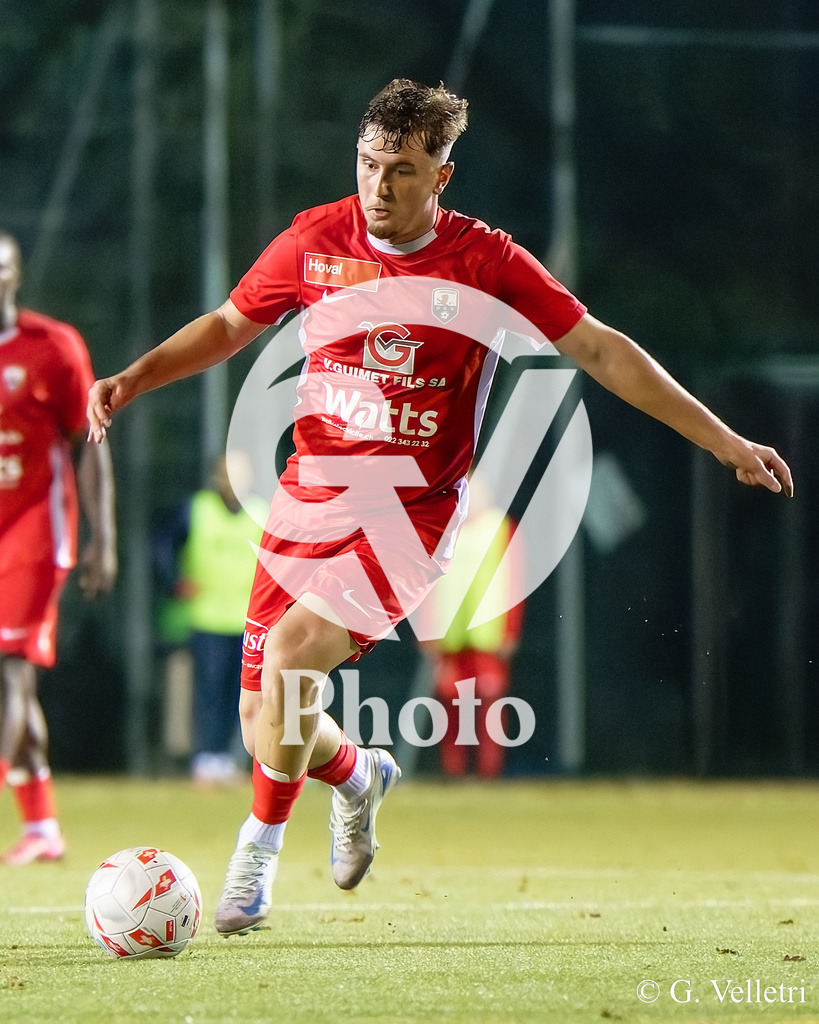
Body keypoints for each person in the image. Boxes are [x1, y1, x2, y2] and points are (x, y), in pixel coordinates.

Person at [87, 79, 793, 935]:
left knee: (293, 655)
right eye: (369, 164)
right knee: (264, 721)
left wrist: (723, 440)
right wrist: (132, 378)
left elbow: (601, 351)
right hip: (309, 503)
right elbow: (227, 325)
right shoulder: (315, 240)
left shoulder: (485, 263)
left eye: (404, 171)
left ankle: (256, 858)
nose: (380, 187)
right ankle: (355, 775)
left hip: (406, 514)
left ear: (441, 179)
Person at [0, 231, 116, 864]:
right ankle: (41, 826)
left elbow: (91, 438)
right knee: (12, 683)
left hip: (35, 530)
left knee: (8, 669)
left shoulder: (52, 348)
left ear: (14, 278)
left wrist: (106, 537)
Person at [156, 453, 267, 785]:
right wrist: (173, 581)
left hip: (249, 621)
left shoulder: (260, 513)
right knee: (209, 690)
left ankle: (232, 755)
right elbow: (162, 545)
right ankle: (207, 756)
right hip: (207, 618)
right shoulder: (198, 509)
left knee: (244, 694)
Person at [419, 473, 525, 778]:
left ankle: (489, 772)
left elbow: (516, 582)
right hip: (451, 637)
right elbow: (428, 584)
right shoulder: (444, 531)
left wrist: (510, 631)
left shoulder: (502, 529)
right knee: (451, 705)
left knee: (489, 704)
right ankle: (453, 772)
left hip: (487, 637)